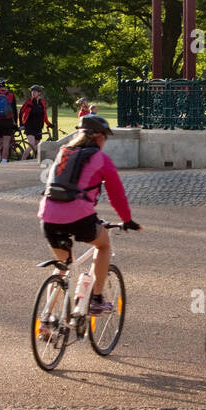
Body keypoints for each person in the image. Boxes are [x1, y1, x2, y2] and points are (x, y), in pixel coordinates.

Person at [38, 114, 141, 314]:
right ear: (99, 137)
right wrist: (127, 220)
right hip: (79, 217)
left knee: (63, 266)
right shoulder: (101, 159)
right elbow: (116, 195)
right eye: (105, 137)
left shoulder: (64, 151)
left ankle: (48, 318)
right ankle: (96, 299)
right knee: (103, 245)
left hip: (48, 216)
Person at [20, 85, 51, 159]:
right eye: (32, 91)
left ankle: (33, 160)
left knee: (37, 146)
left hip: (38, 127)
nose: (33, 93)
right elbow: (21, 112)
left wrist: (49, 123)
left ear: (39, 93)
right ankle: (21, 160)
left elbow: (44, 115)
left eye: (35, 91)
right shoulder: (29, 102)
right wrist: (21, 124)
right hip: (29, 127)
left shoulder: (42, 103)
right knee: (31, 144)